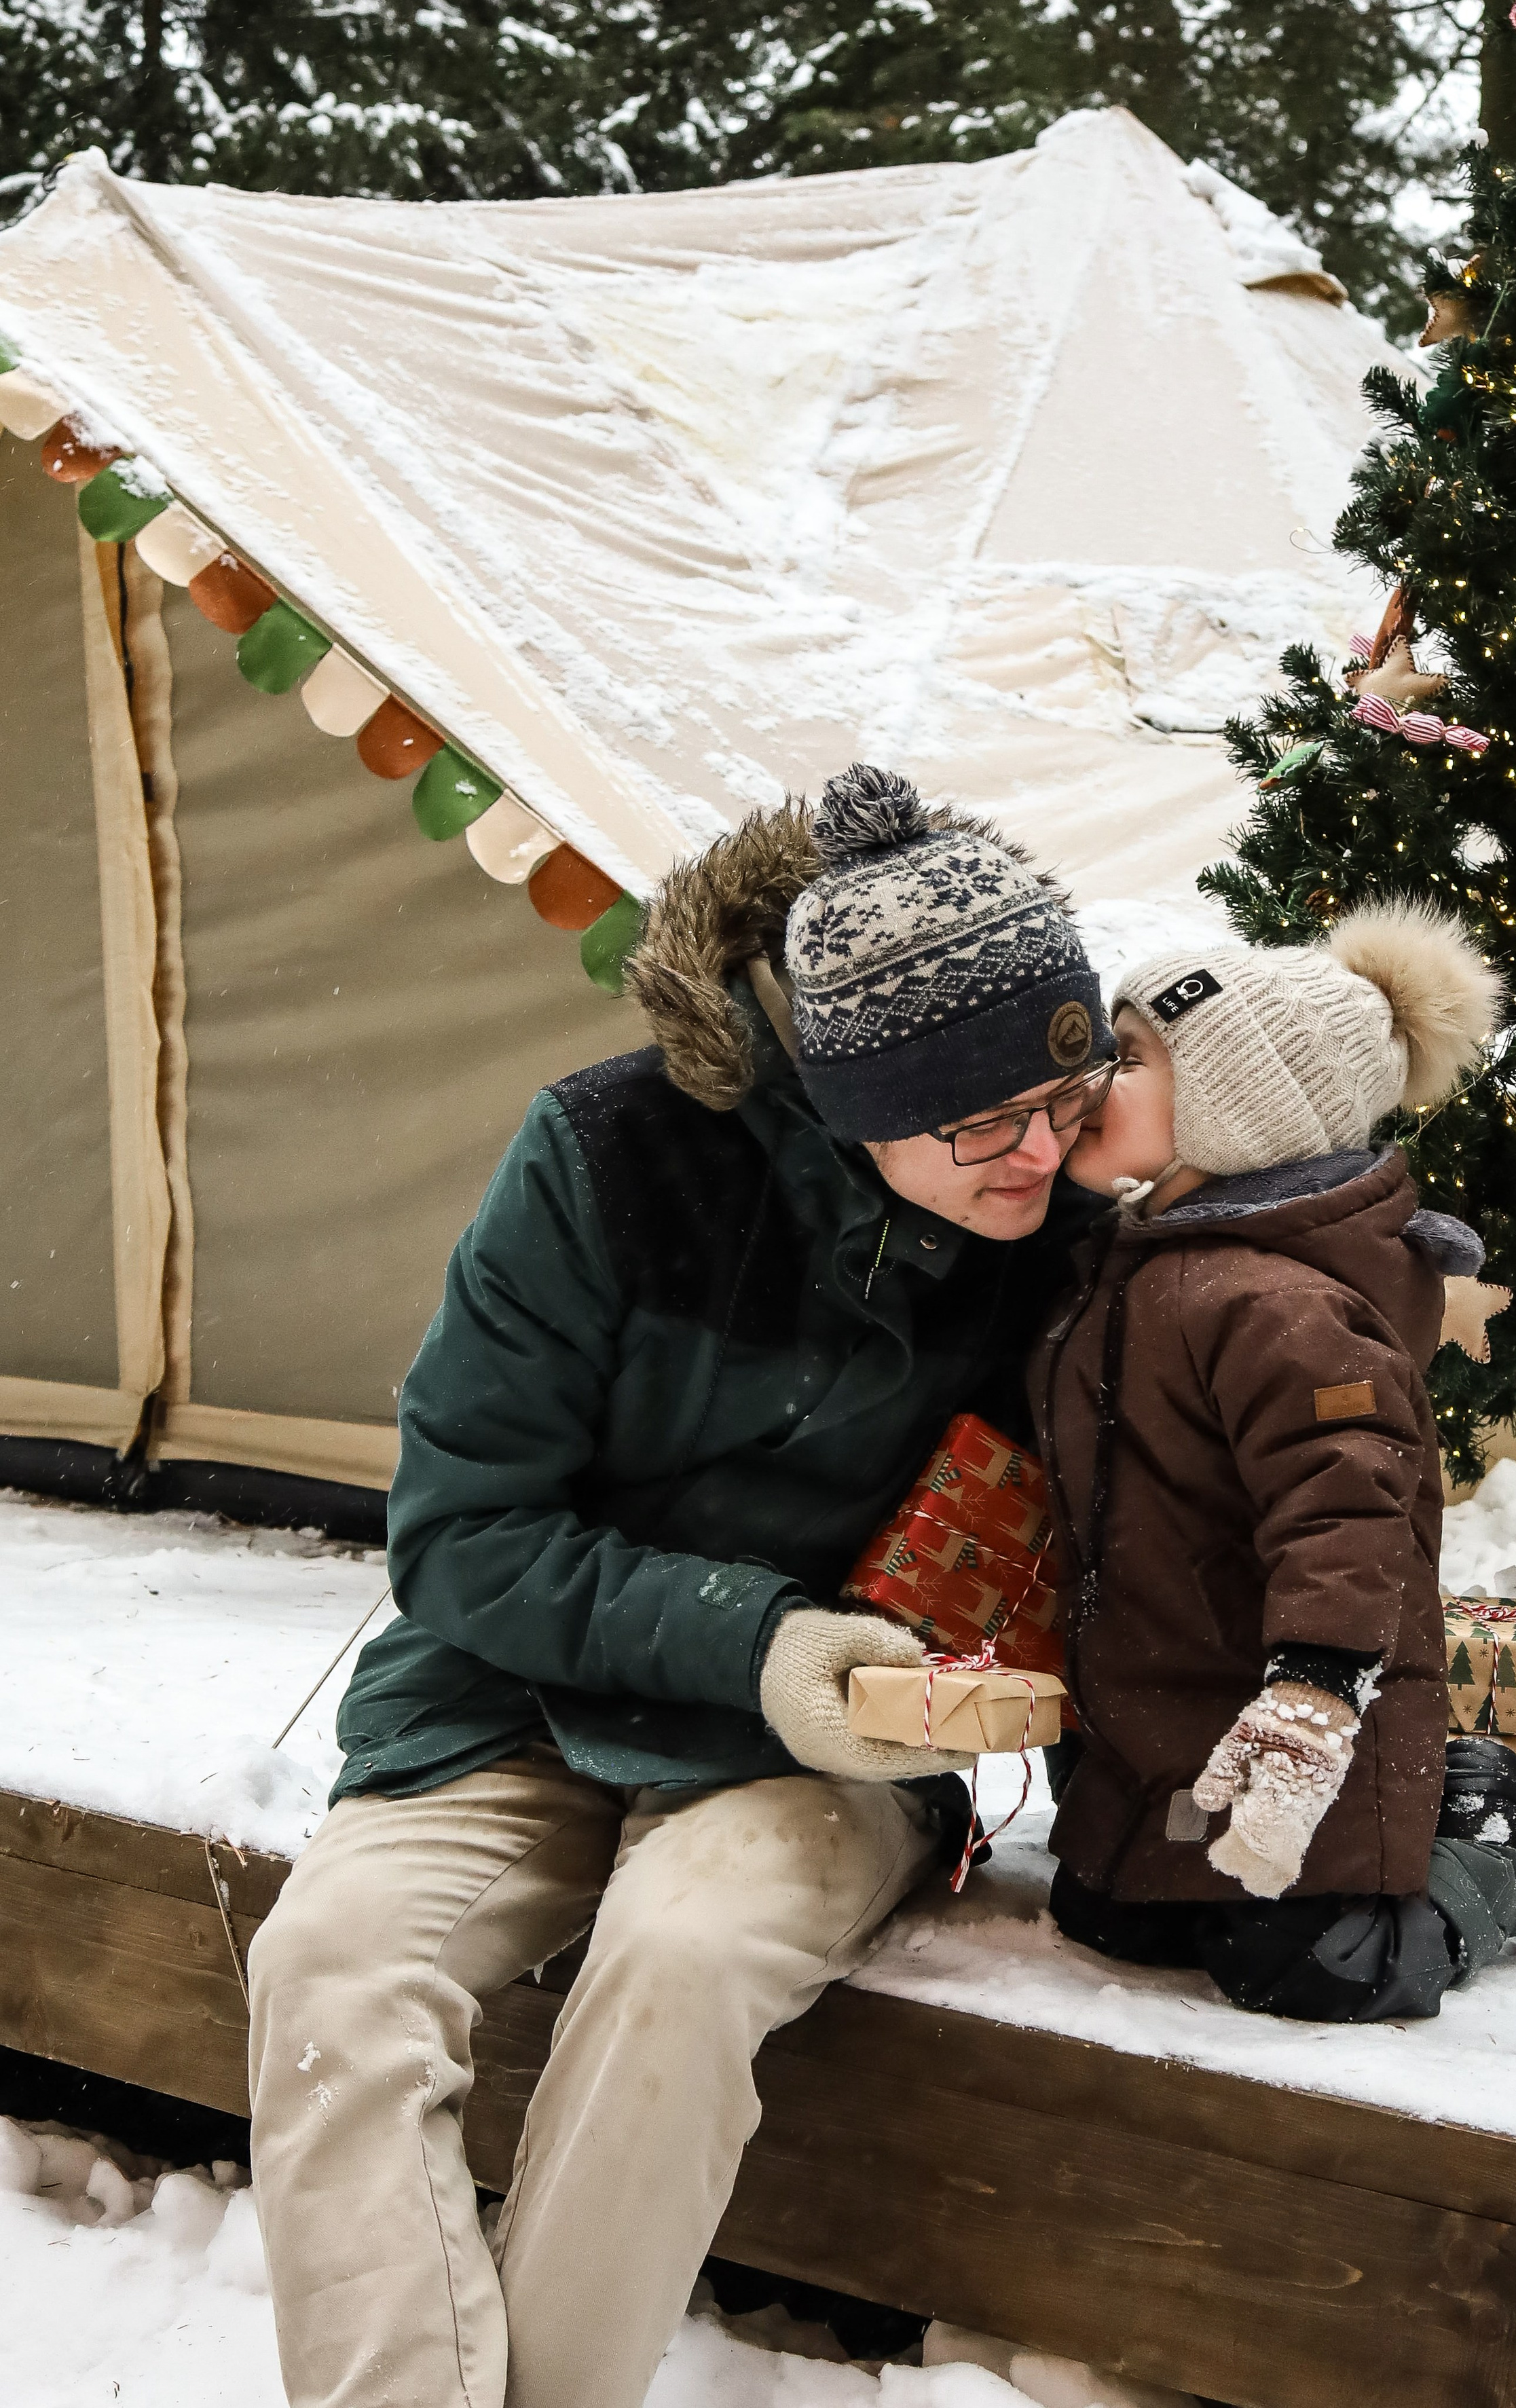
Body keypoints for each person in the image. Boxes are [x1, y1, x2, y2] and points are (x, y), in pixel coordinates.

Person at [244, 764, 1113, 2408]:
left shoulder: (1060, 1235)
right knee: (332, 1968)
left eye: (1064, 1102)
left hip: (830, 1745)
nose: (1038, 1154)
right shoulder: (608, 1161)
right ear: (853, 1093)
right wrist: (756, 1638)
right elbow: (460, 1533)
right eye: (981, 1120)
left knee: (685, 1952)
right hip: (512, 1698)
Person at [1032, 900, 1516, 2022]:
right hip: (1166, 1702)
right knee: (1109, 1916)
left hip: (1303, 1713)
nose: (1092, 1081)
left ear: (1237, 1110)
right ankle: (1453, 1792)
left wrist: (1314, 1688)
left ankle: (1506, 1850)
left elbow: (1349, 1511)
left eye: (1130, 1057)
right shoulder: (1129, 1265)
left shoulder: (1281, 1308)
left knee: (1321, 1966)